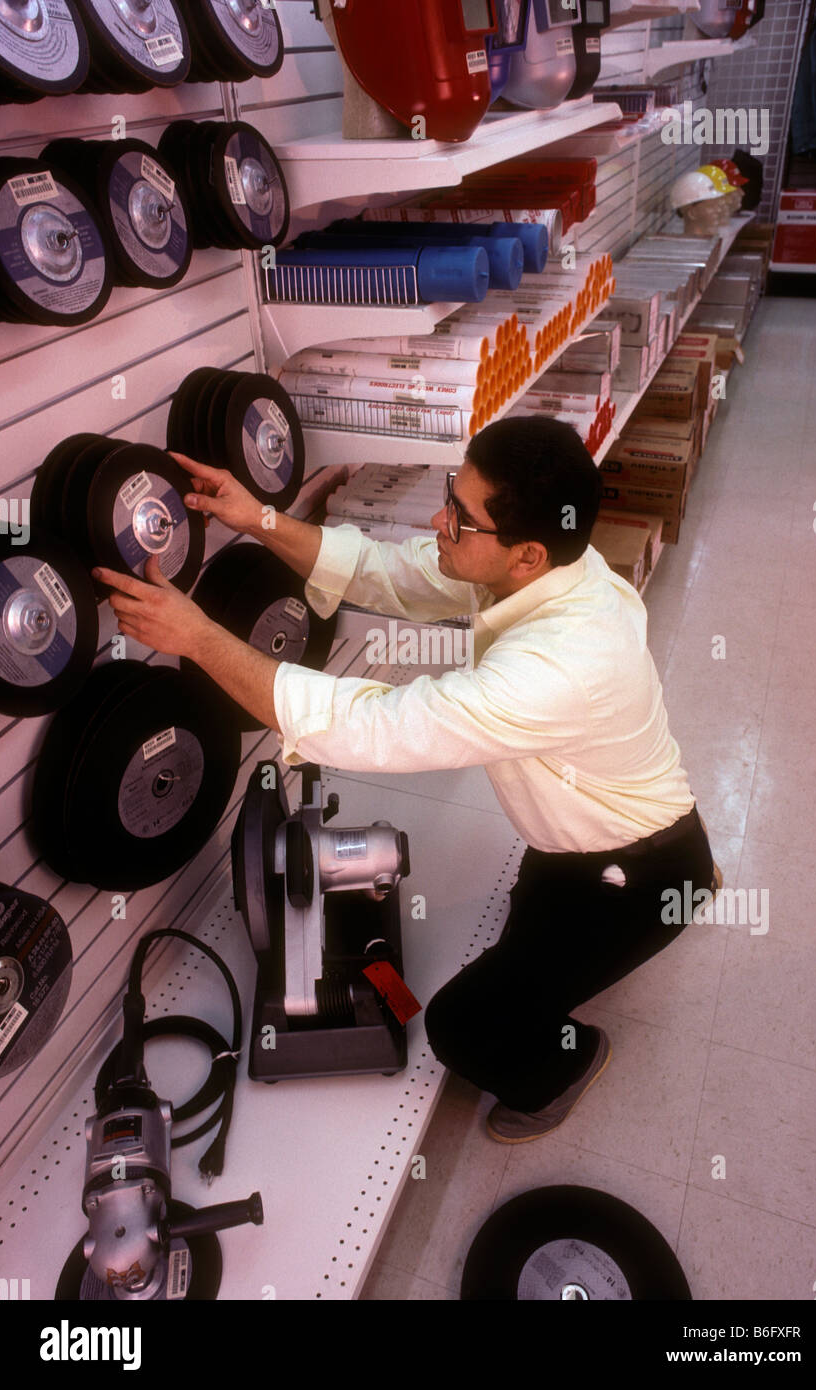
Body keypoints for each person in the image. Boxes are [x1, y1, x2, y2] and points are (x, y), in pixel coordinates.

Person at [95, 416, 715, 1144]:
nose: (437, 519)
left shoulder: (560, 668)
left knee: (461, 1029)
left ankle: (565, 1069)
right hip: (577, 847)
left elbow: (371, 725)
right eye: (453, 493)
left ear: (525, 554)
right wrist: (258, 517)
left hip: (638, 877)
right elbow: (388, 572)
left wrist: (197, 638)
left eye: (459, 516)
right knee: (524, 935)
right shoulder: (555, 570)